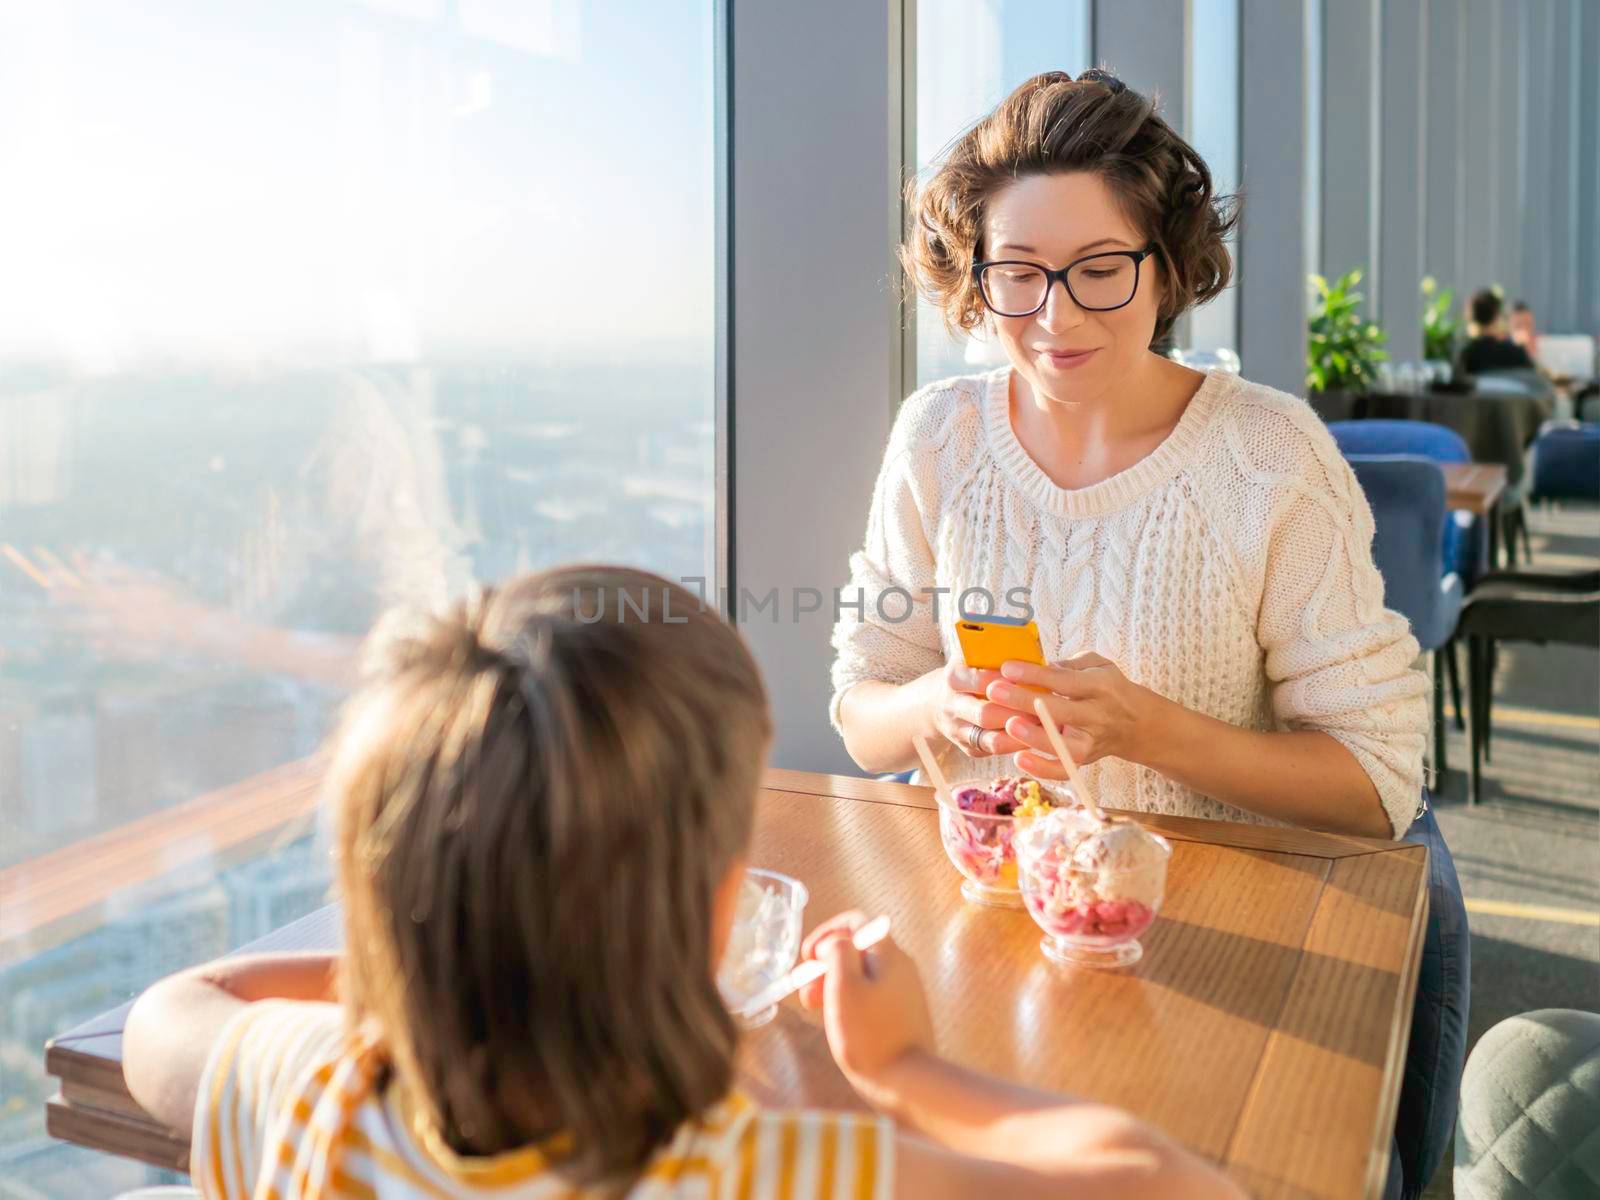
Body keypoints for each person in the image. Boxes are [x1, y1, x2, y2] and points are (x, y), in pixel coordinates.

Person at [123, 565, 1241, 1199]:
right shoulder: (756, 1174)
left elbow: (173, 1013)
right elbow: (1170, 1185)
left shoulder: (313, 1105)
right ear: (703, 910)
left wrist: (444, 969)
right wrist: (901, 1068)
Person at [829, 69, 1429, 841]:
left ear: (1169, 267)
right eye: (1018, 272)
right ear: (979, 278)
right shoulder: (939, 437)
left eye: (1101, 269)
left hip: (1204, 916)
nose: (1057, 316)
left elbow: (1377, 782)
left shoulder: (1268, 455)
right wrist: (937, 704)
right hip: (990, 905)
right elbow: (862, 711)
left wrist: (1144, 730)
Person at [1458, 291, 1536, 376]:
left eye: (1528, 324)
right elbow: (1533, 378)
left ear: (1470, 316)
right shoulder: (1515, 353)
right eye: (1518, 324)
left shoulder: (1464, 354)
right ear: (1497, 316)